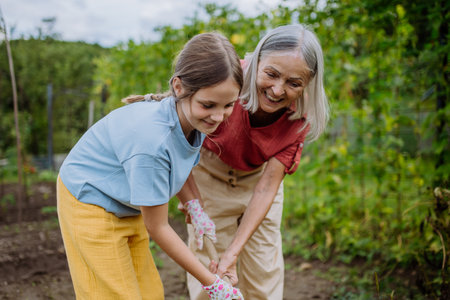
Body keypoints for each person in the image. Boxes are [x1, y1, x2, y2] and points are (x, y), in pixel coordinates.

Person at [56, 32, 245, 300]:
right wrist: (212, 283)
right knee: (116, 294)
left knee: (149, 293)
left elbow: (179, 163)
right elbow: (158, 227)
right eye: (209, 105)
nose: (218, 116)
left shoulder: (193, 118)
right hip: (91, 201)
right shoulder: (153, 141)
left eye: (229, 105)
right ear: (179, 88)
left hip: (127, 200)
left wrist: (194, 204)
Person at [176, 24, 329, 299]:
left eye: (294, 83)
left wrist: (234, 252)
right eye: (271, 74)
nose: (278, 90)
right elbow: (179, 139)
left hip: (258, 182)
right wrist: (193, 203)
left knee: (263, 272)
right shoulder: (225, 79)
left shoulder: (301, 114)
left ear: (307, 84)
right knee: (210, 271)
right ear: (257, 61)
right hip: (209, 176)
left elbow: (267, 187)